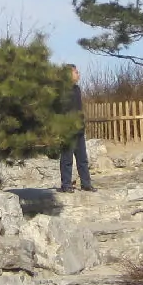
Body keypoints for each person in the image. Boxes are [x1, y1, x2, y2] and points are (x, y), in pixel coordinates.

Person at [58, 65, 94, 193]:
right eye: (76, 72)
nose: (78, 74)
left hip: (79, 128)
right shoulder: (61, 90)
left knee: (82, 158)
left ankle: (86, 183)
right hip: (67, 130)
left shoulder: (77, 89)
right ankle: (66, 184)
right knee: (67, 159)